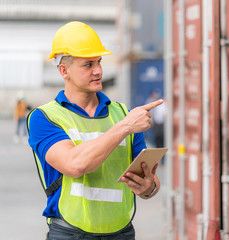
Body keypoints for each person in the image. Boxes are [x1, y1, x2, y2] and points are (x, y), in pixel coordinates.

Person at [27, 21, 163, 240]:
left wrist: (149, 187)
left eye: (99, 62)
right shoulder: (44, 118)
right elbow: (74, 165)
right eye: (88, 64)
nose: (98, 70)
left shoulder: (122, 114)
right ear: (64, 70)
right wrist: (126, 127)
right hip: (70, 234)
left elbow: (150, 181)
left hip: (122, 233)